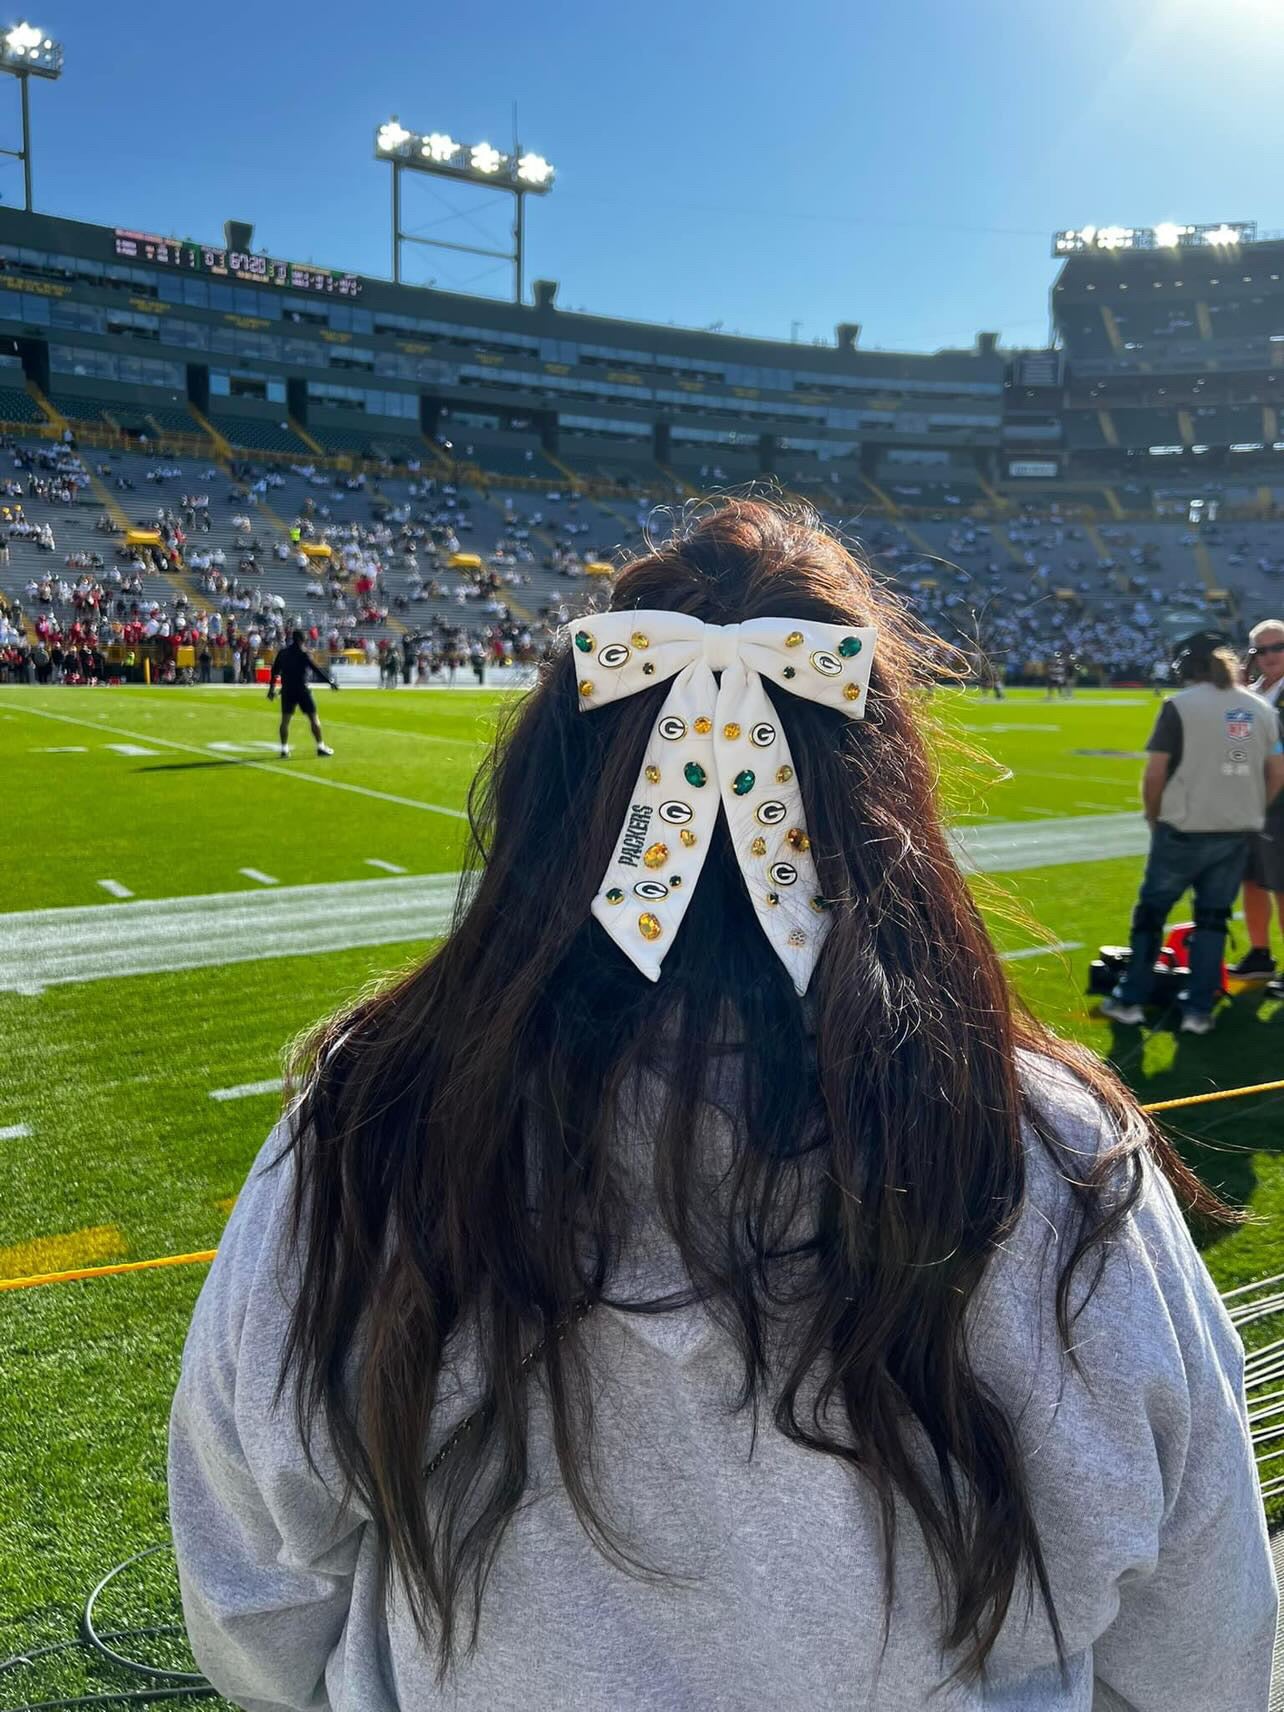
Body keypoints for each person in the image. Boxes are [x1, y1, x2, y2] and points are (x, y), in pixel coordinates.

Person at [169, 500, 1276, 1712]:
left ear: (552, 787)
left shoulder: (364, 1126)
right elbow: (1204, 1646)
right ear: (887, 797)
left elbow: (254, 1600)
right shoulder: (1054, 1156)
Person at [1102, 630, 1284, 1034]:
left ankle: (1131, 999)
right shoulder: (1260, 708)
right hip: (1235, 828)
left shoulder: (1179, 706)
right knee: (1213, 920)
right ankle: (1198, 1011)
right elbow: (1277, 773)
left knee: (1151, 916)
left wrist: (1154, 816)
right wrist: (1254, 808)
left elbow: (1155, 774)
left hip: (1184, 827)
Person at [1230, 617, 1284, 979]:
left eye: (1277, 647)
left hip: (1278, 802)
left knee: (1281, 883)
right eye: (1260, 650)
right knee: (1249, 879)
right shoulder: (1252, 690)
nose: (1268, 655)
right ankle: (1260, 952)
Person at [267, 628, 337, 758]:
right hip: (302, 690)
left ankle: (284, 749)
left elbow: (275, 672)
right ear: (301, 639)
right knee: (314, 719)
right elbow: (316, 670)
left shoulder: (283, 653)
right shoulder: (304, 653)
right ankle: (320, 746)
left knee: (285, 721)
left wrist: (271, 690)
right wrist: (330, 682)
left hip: (287, 690)